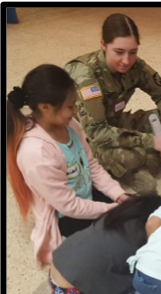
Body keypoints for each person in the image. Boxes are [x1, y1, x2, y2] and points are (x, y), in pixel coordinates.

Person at [6, 64, 129, 267]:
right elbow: (69, 206)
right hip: (66, 216)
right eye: (70, 106)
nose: (76, 110)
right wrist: (110, 209)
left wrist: (118, 194)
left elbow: (92, 166)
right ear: (46, 107)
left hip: (85, 197)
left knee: (132, 216)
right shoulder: (35, 153)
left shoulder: (71, 125)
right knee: (112, 253)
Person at [64, 13, 161, 194]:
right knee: (130, 157)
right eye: (119, 52)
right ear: (103, 45)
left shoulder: (136, 67)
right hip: (84, 138)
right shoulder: (85, 74)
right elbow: (96, 132)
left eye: (133, 52)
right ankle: (141, 163)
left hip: (115, 122)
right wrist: (151, 141)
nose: (127, 61)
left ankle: (141, 161)